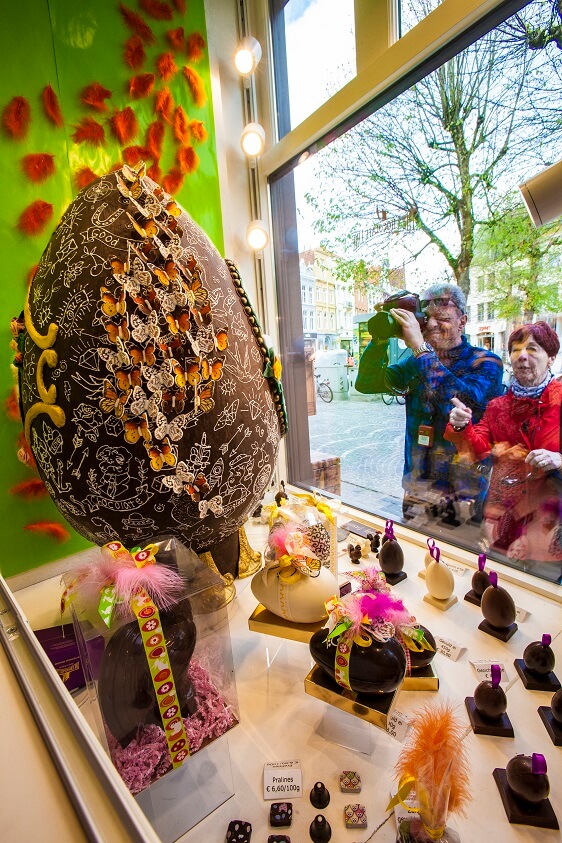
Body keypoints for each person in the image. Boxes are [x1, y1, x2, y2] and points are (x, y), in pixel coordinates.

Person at [355, 282, 503, 518]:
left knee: (457, 555)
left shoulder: (485, 363)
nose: (432, 325)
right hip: (417, 490)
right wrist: (380, 339)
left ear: (462, 322)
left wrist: (419, 347)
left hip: (463, 494)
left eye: (441, 319)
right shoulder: (415, 360)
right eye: (427, 319)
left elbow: (463, 400)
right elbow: (366, 383)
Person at [446, 321, 562, 579]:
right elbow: (476, 450)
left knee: (544, 598)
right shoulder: (498, 406)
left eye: (532, 349)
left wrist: (559, 459)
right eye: (516, 349)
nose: (521, 356)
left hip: (549, 524)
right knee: (498, 588)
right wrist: (462, 425)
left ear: (551, 358)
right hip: (501, 521)